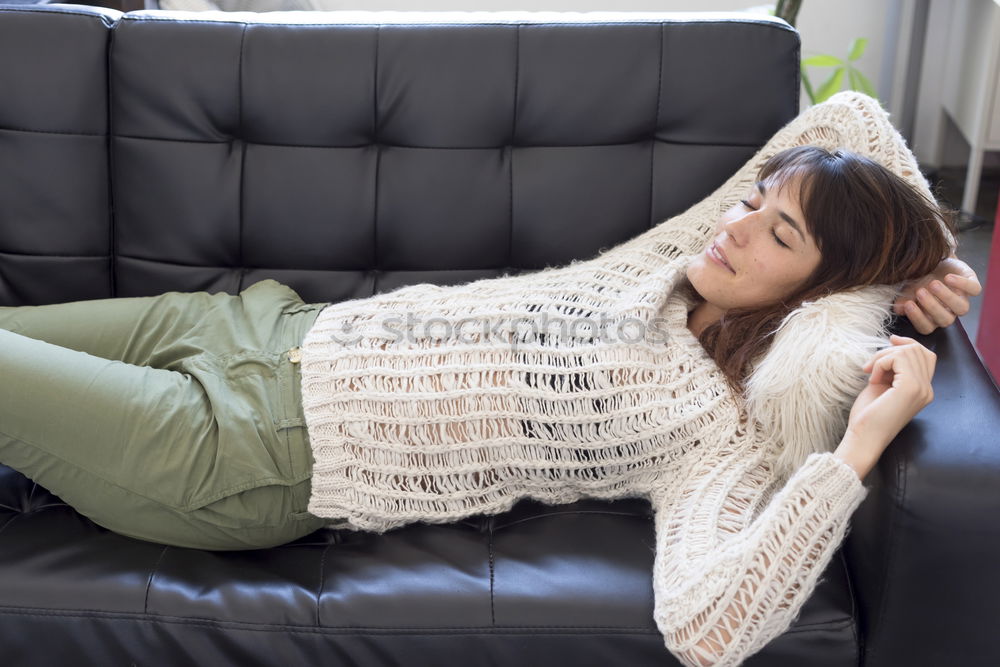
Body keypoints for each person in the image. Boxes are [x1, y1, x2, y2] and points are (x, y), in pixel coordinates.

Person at [0, 91, 983, 666]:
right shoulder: (674, 263)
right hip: (244, 327)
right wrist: (922, 253)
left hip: (232, 451)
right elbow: (850, 116)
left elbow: (710, 626)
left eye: (779, 232)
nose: (736, 225)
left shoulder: (718, 427)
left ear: (818, 287)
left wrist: (853, 447)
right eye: (756, 201)